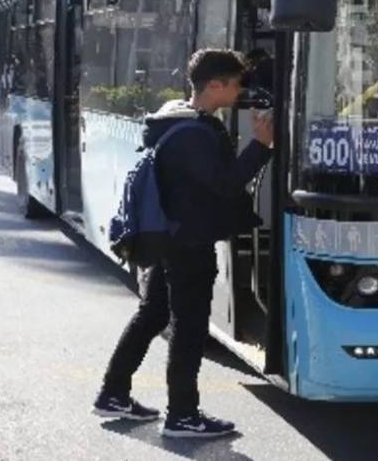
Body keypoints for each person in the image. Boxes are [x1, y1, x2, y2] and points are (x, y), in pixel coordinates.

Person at [94, 49, 273, 439]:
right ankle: (183, 416)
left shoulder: (178, 120)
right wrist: (262, 145)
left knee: (153, 315)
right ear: (214, 85)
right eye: (236, 83)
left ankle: (113, 393)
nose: (241, 91)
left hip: (170, 238)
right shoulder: (195, 133)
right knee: (189, 328)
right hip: (188, 243)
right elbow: (224, 185)